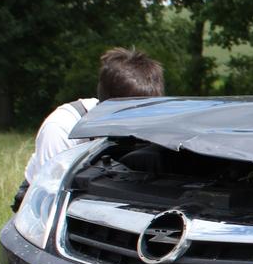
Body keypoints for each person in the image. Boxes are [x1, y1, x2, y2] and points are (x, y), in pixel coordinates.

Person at [13, 48, 165, 209]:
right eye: (133, 113)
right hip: (46, 201)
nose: (139, 122)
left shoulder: (149, 122)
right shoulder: (62, 127)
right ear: (107, 106)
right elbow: (49, 196)